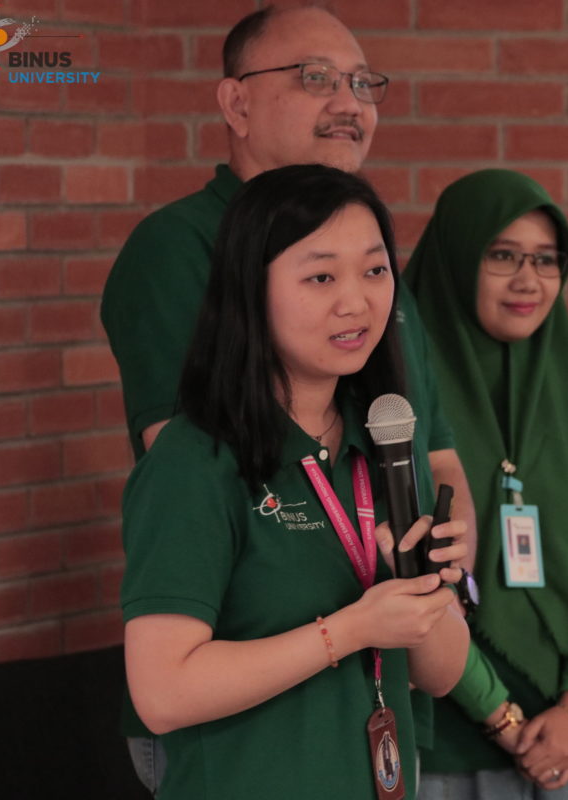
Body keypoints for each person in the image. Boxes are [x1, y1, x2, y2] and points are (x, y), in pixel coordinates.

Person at [100, 6, 477, 788]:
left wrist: (427, 585)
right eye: (320, 276)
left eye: (375, 271)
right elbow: (163, 692)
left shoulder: (375, 447)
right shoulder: (197, 460)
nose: (357, 302)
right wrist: (352, 627)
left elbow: (441, 670)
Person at [402, 169, 568, 799]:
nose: (528, 280)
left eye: (546, 259)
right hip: (449, 736)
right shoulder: (401, 391)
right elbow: (408, 584)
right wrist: (500, 717)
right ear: (457, 259)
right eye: (503, 256)